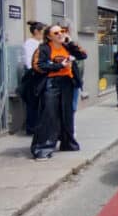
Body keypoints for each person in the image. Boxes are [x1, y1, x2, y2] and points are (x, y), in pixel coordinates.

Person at [30, 24, 88, 160]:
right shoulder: (44, 48)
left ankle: (67, 143)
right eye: (56, 33)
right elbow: (38, 66)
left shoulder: (67, 47)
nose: (60, 34)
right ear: (49, 36)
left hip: (67, 83)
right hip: (51, 84)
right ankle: (43, 148)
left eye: (62, 31)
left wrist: (71, 42)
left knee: (66, 115)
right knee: (49, 115)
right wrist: (58, 66)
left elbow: (83, 55)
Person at [20, 21, 46, 135]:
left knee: (38, 102)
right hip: (33, 74)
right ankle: (31, 128)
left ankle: (36, 126)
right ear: (36, 31)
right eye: (42, 32)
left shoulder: (38, 43)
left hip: (38, 73)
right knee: (33, 102)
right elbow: (30, 62)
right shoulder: (30, 43)